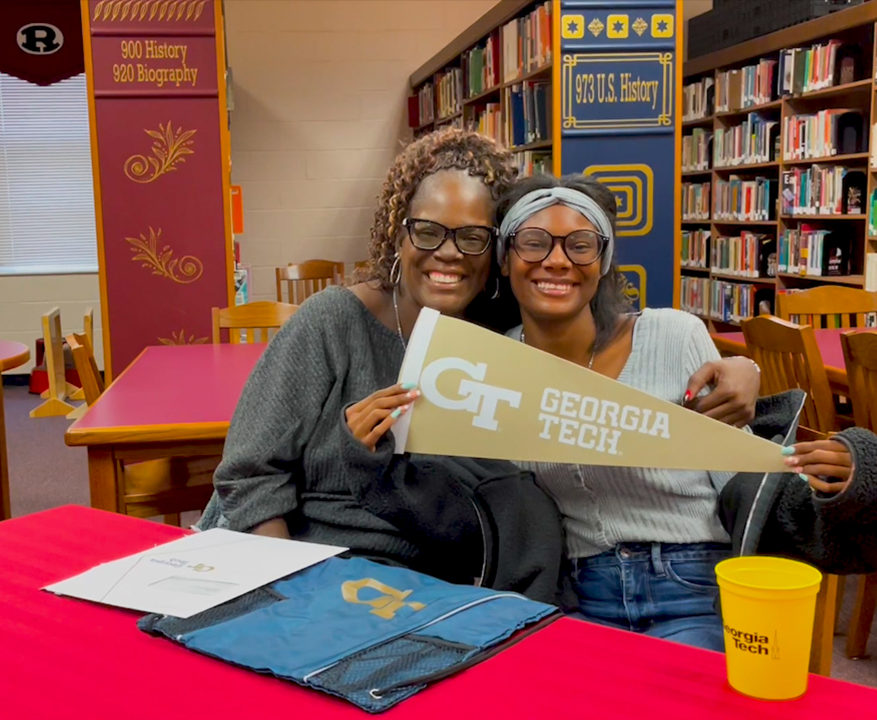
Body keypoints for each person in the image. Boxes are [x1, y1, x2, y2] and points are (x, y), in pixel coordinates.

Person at [196, 128, 762, 586]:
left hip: (438, 584)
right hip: (307, 567)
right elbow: (249, 477)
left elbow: (601, 366)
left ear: (498, 251)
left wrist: (744, 368)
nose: (448, 253)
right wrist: (289, 590)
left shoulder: (498, 340)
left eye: (472, 237)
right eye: (428, 232)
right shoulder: (331, 321)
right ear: (398, 233)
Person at [484, 172, 877, 650]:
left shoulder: (673, 336)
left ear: (603, 259)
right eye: (533, 242)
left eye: (581, 245)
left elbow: (736, 472)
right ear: (505, 259)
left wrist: (842, 476)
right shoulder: (493, 366)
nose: (558, 260)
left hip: (692, 584)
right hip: (578, 599)